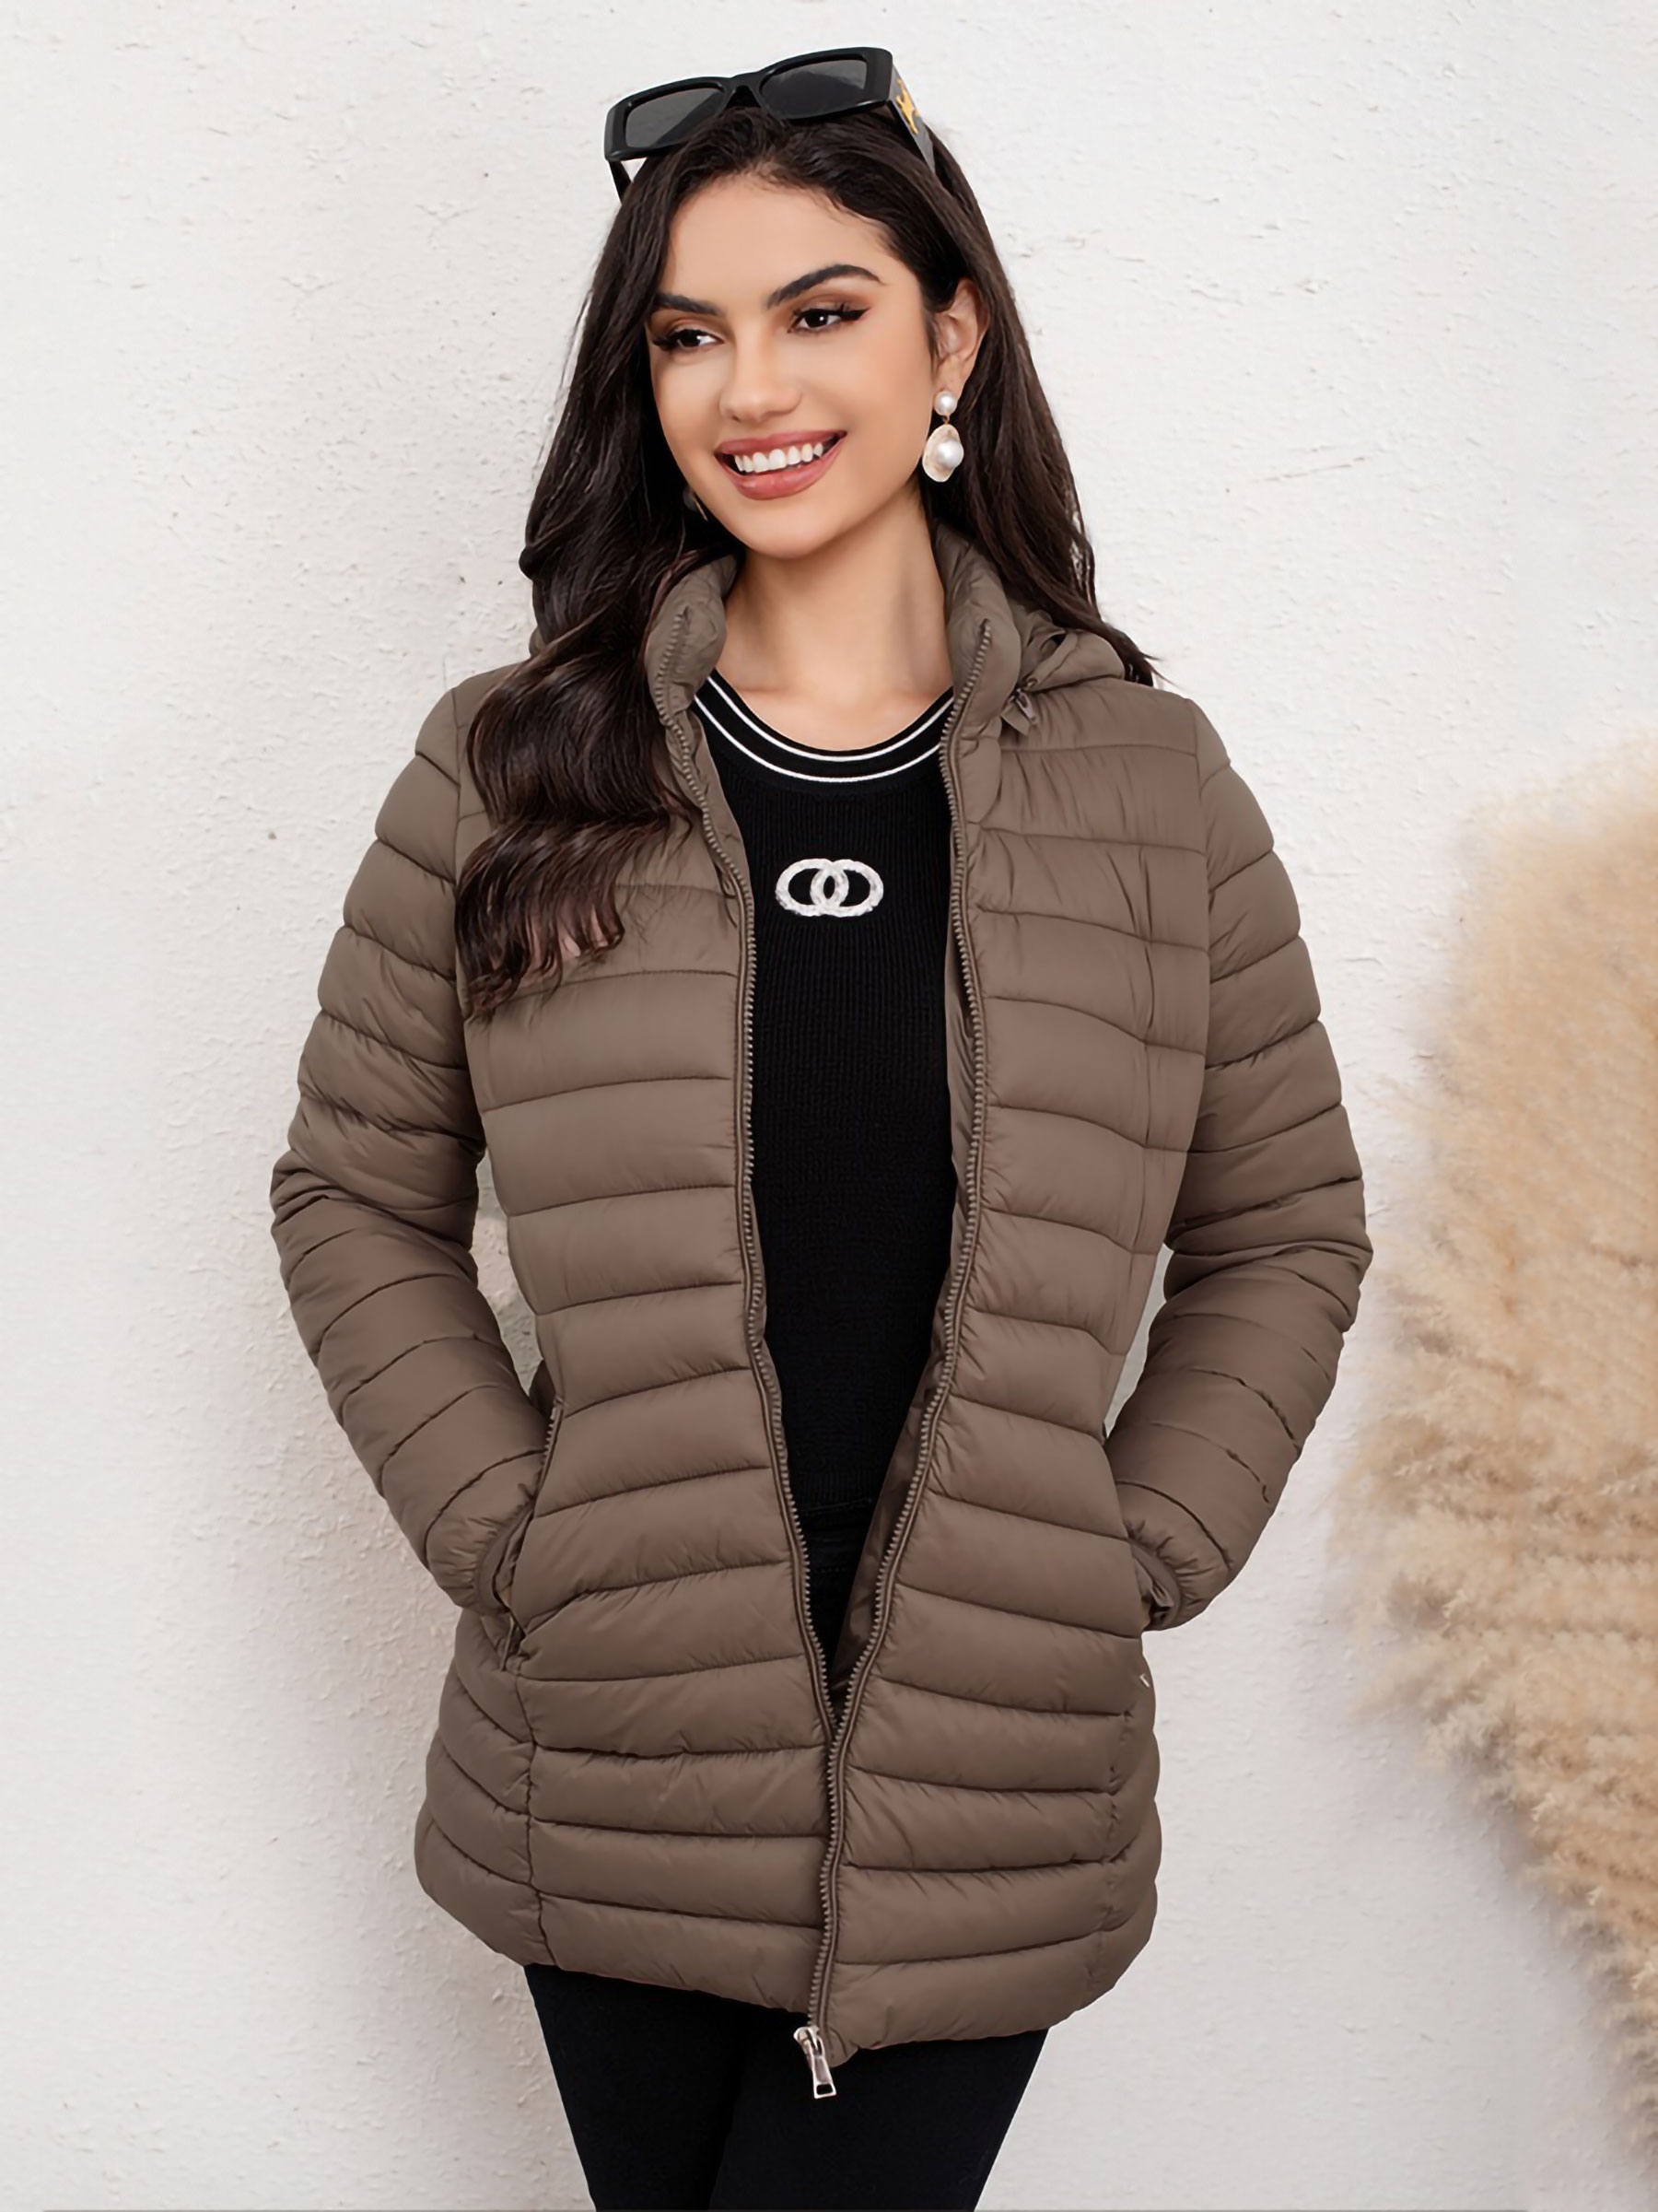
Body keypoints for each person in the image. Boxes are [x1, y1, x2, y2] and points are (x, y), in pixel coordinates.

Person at [269, 47, 1372, 2211]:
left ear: (951, 339)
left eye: (821, 311)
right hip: (618, 1748)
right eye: (689, 333)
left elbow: (1286, 1224)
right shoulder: (509, 767)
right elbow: (354, 1196)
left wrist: (1144, 1537)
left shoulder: (1150, 786)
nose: (750, 385)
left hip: (993, 1765)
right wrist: (510, 1532)